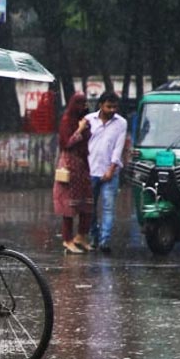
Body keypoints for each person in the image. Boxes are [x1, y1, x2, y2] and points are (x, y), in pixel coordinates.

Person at [86, 91, 128, 253]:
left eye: (115, 107)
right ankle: (94, 238)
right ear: (100, 105)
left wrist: (111, 169)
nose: (112, 110)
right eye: (109, 106)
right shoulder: (89, 120)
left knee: (108, 208)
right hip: (91, 170)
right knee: (90, 208)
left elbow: (118, 148)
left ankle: (105, 241)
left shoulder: (121, 123)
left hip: (110, 172)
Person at [53, 93, 93, 254]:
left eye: (85, 103)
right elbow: (66, 143)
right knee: (69, 206)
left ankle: (81, 236)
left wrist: (85, 127)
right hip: (69, 166)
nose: (83, 107)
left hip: (83, 165)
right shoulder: (66, 120)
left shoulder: (84, 120)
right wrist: (80, 129)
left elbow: (87, 139)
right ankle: (67, 240)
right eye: (80, 104)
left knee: (86, 204)